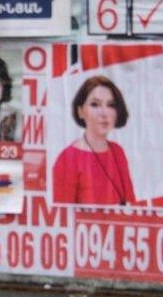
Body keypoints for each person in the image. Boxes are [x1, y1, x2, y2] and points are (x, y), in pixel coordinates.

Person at [52, 76, 135, 205]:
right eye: (95, 104)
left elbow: (130, 202)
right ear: (80, 111)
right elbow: (62, 215)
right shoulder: (67, 159)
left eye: (111, 105)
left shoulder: (117, 151)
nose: (104, 113)